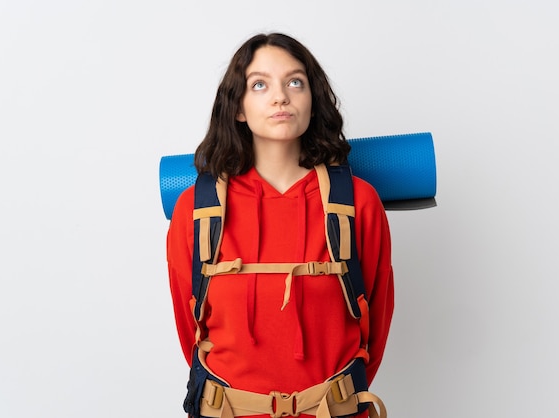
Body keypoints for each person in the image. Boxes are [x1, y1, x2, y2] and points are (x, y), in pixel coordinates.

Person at [167, 32, 394, 418]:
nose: (280, 97)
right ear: (238, 107)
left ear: (312, 100)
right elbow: (190, 327)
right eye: (259, 84)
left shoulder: (359, 203)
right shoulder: (195, 210)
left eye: (295, 82)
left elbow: (375, 323)